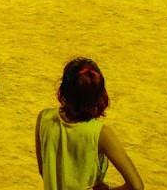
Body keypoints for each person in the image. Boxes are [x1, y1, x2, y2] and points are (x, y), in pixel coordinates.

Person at [35, 58, 144, 190]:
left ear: (63, 90)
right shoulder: (101, 134)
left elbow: (44, 170)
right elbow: (136, 186)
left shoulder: (44, 118)